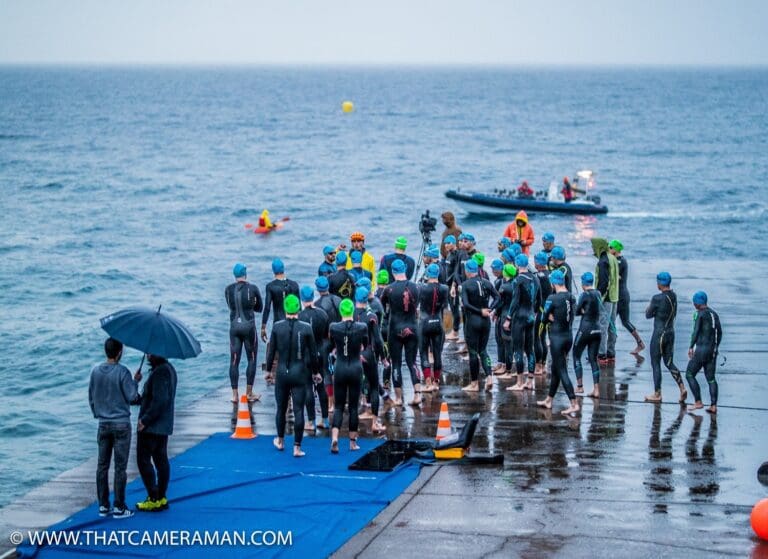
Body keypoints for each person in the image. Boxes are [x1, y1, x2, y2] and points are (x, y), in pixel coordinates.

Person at [89, 337, 140, 518]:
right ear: (119, 352)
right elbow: (133, 397)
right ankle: (119, 506)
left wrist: (99, 414)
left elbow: (92, 398)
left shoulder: (95, 372)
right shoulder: (123, 372)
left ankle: (103, 505)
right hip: (121, 425)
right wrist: (135, 381)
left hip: (103, 424)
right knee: (120, 467)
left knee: (102, 466)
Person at [266, 294, 317, 457]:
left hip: (282, 372)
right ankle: (297, 448)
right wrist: (316, 372)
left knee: (281, 409)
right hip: (300, 372)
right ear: (298, 309)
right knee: (298, 410)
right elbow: (314, 354)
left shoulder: (276, 326)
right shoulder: (306, 328)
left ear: (285, 309)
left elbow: (271, 352)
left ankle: (280, 441)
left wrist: (268, 371)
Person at [136, 353, 178, 512]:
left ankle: (154, 496)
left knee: (143, 460)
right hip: (162, 425)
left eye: (150, 353)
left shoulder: (160, 372)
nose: (147, 355)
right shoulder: (169, 369)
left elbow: (160, 400)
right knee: (161, 459)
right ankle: (160, 496)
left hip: (152, 426)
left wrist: (145, 420)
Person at [536, 270, 580, 416]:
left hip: (557, 338)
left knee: (561, 370)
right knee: (556, 368)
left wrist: (548, 316)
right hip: (568, 337)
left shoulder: (552, 298)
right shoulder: (571, 297)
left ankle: (574, 403)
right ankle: (549, 400)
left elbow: (543, 318)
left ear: (553, 283)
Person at [380, 259, 422, 405]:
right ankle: (417, 394)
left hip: (395, 329)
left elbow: (383, 306)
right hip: (412, 327)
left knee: (396, 363)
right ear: (405, 269)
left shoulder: (388, 289)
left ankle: (398, 398)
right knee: (412, 362)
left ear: (392, 272)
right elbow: (417, 305)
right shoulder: (416, 287)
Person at [329, 299, 368, 453]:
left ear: (340, 312)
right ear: (352, 311)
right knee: (353, 407)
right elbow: (365, 344)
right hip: (355, 368)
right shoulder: (362, 327)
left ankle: (334, 439)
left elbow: (333, 344)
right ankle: (352, 443)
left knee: (338, 406)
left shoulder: (334, 327)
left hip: (340, 368)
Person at [644, 272, 687, 403]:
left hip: (659, 334)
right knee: (669, 362)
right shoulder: (673, 296)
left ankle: (657, 394)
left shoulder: (657, 298)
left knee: (655, 363)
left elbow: (648, 314)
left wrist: (649, 307)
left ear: (659, 284)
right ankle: (682, 387)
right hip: (670, 332)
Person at [225, 263, 263, 403]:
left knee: (234, 360)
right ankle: (249, 393)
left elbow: (230, 305)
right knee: (251, 359)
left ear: (234, 275)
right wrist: (251, 305)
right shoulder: (253, 288)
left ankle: (234, 395)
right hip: (249, 327)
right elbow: (260, 307)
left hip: (234, 327)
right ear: (245, 274)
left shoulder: (228, 289)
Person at [460, 259, 499, 392]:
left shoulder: (465, 285)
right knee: (483, 351)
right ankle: (489, 378)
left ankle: (474, 383)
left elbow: (465, 304)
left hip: (473, 321)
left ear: (467, 271)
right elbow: (498, 298)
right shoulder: (487, 282)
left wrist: (479, 311)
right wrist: (489, 309)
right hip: (485, 322)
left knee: (473, 352)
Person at [353, 288, 388, 432]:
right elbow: (378, 340)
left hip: (353, 354)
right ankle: (374, 423)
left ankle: (353, 427)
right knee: (373, 386)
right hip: (368, 353)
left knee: (357, 385)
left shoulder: (349, 313)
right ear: (367, 298)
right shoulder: (371, 316)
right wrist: (383, 358)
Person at [506, 254, 540, 392]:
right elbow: (539, 298)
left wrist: (508, 318)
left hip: (519, 317)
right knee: (529, 349)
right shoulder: (535, 279)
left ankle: (519, 382)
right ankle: (530, 380)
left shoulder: (518, 280)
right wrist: (535, 312)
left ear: (516, 265)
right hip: (531, 316)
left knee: (518, 349)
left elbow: (515, 301)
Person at [298, 286, 330, 432]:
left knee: (308, 387)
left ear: (302, 299)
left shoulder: (300, 317)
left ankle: (311, 422)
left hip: (306, 356)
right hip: (321, 352)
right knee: (321, 386)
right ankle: (325, 420)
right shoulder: (322, 314)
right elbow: (326, 334)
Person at [685, 292, 722, 414]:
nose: (693, 304)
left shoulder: (699, 314)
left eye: (694, 302)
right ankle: (713, 406)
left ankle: (698, 401)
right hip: (712, 351)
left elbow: (695, 332)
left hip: (701, 350)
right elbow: (719, 333)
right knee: (711, 379)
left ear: (697, 303)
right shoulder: (714, 314)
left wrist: (691, 346)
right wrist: (715, 347)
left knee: (689, 374)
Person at [609, 239, 645, 355]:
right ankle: (609, 347)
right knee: (613, 322)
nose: (609, 250)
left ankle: (639, 343)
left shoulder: (621, 262)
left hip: (622, 296)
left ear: (615, 249)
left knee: (621, 322)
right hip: (618, 295)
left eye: (610, 248)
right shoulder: (615, 260)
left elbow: (614, 277)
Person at [418, 264, 450, 393]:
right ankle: (436, 382)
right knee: (437, 354)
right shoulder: (445, 288)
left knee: (424, 353)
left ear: (427, 274)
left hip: (424, 322)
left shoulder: (421, 287)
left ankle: (427, 383)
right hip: (438, 322)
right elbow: (445, 307)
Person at [573, 272, 603, 398]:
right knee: (593, 359)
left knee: (576, 355)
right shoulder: (598, 293)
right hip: (597, 330)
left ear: (583, 283)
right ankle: (596, 389)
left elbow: (576, 311)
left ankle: (580, 387)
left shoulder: (584, 295)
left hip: (585, 329)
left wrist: (582, 310)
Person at [314, 276, 341, 412]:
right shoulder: (338, 300)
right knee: (338, 370)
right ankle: (341, 400)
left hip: (326, 342)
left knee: (327, 372)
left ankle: (331, 404)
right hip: (340, 340)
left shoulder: (317, 305)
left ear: (318, 289)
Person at [591, 238, 619, 363]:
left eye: (593, 246)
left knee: (603, 326)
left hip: (606, 298)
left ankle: (601, 354)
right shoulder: (612, 257)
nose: (592, 249)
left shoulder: (603, 261)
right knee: (612, 326)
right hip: (614, 297)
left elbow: (603, 283)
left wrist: (599, 299)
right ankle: (611, 352)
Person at [261, 258, 300, 344]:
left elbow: (267, 308)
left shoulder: (271, 286)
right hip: (294, 323)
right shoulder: (294, 284)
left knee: (278, 352)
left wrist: (263, 327)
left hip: (278, 324)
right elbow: (299, 307)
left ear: (273, 271)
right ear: (283, 268)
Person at [492, 263, 517, 379]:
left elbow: (499, 301)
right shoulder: (514, 284)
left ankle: (506, 367)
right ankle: (502, 363)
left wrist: (492, 310)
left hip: (505, 315)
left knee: (505, 342)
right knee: (502, 341)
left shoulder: (505, 287)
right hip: (509, 315)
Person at [533, 251, 552, 375]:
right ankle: (543, 365)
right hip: (549, 311)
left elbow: (536, 296)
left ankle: (538, 366)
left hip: (541, 312)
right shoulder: (551, 274)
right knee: (543, 338)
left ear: (538, 263)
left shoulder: (538, 276)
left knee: (537, 338)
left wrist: (534, 310)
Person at [443, 235, 462, 341]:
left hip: (453, 286)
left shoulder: (457, 255)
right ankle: (455, 331)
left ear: (453, 243)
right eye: (445, 243)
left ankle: (455, 332)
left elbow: (456, 272)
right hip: (448, 284)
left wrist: (454, 286)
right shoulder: (449, 254)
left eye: (448, 243)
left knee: (455, 308)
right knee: (451, 306)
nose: (446, 245)